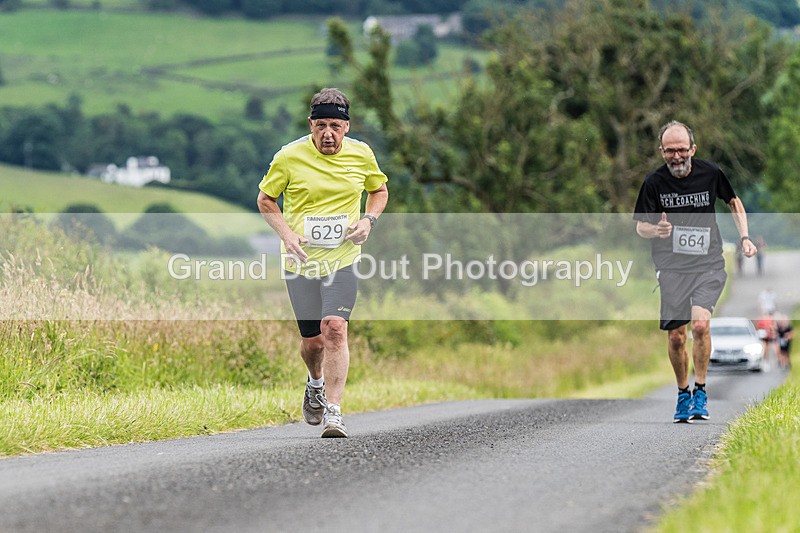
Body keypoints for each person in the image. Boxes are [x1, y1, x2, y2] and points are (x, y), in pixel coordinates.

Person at [257, 88, 389, 438]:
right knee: (313, 342)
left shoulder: (362, 155)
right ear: (310, 125)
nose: (327, 134)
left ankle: (334, 412)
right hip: (300, 262)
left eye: (334, 125)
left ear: (346, 127)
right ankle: (314, 383)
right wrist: (286, 234)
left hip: (343, 258)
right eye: (320, 126)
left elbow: (379, 191)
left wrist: (368, 221)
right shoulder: (288, 157)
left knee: (335, 327)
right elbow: (266, 199)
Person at [634, 120, 757, 423]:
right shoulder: (653, 183)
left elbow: (733, 201)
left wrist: (744, 237)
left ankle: (700, 390)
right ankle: (682, 393)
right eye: (670, 151)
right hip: (672, 267)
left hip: (708, 264)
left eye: (681, 150)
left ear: (693, 149)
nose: (676, 157)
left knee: (700, 326)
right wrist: (656, 229)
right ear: (661, 151)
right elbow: (640, 226)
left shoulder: (710, 173)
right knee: (677, 336)